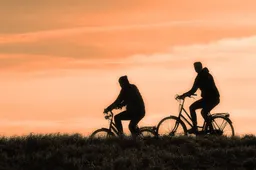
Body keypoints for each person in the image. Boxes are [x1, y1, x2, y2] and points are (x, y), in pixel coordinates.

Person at [178, 62, 220, 134]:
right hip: (211, 98)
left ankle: (199, 128)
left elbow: (193, 90)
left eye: (196, 68)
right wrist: (186, 94)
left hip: (211, 99)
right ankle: (208, 129)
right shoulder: (206, 74)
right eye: (195, 68)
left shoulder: (201, 77)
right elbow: (194, 89)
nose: (196, 69)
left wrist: (183, 95)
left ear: (199, 67)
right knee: (201, 111)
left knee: (196, 109)